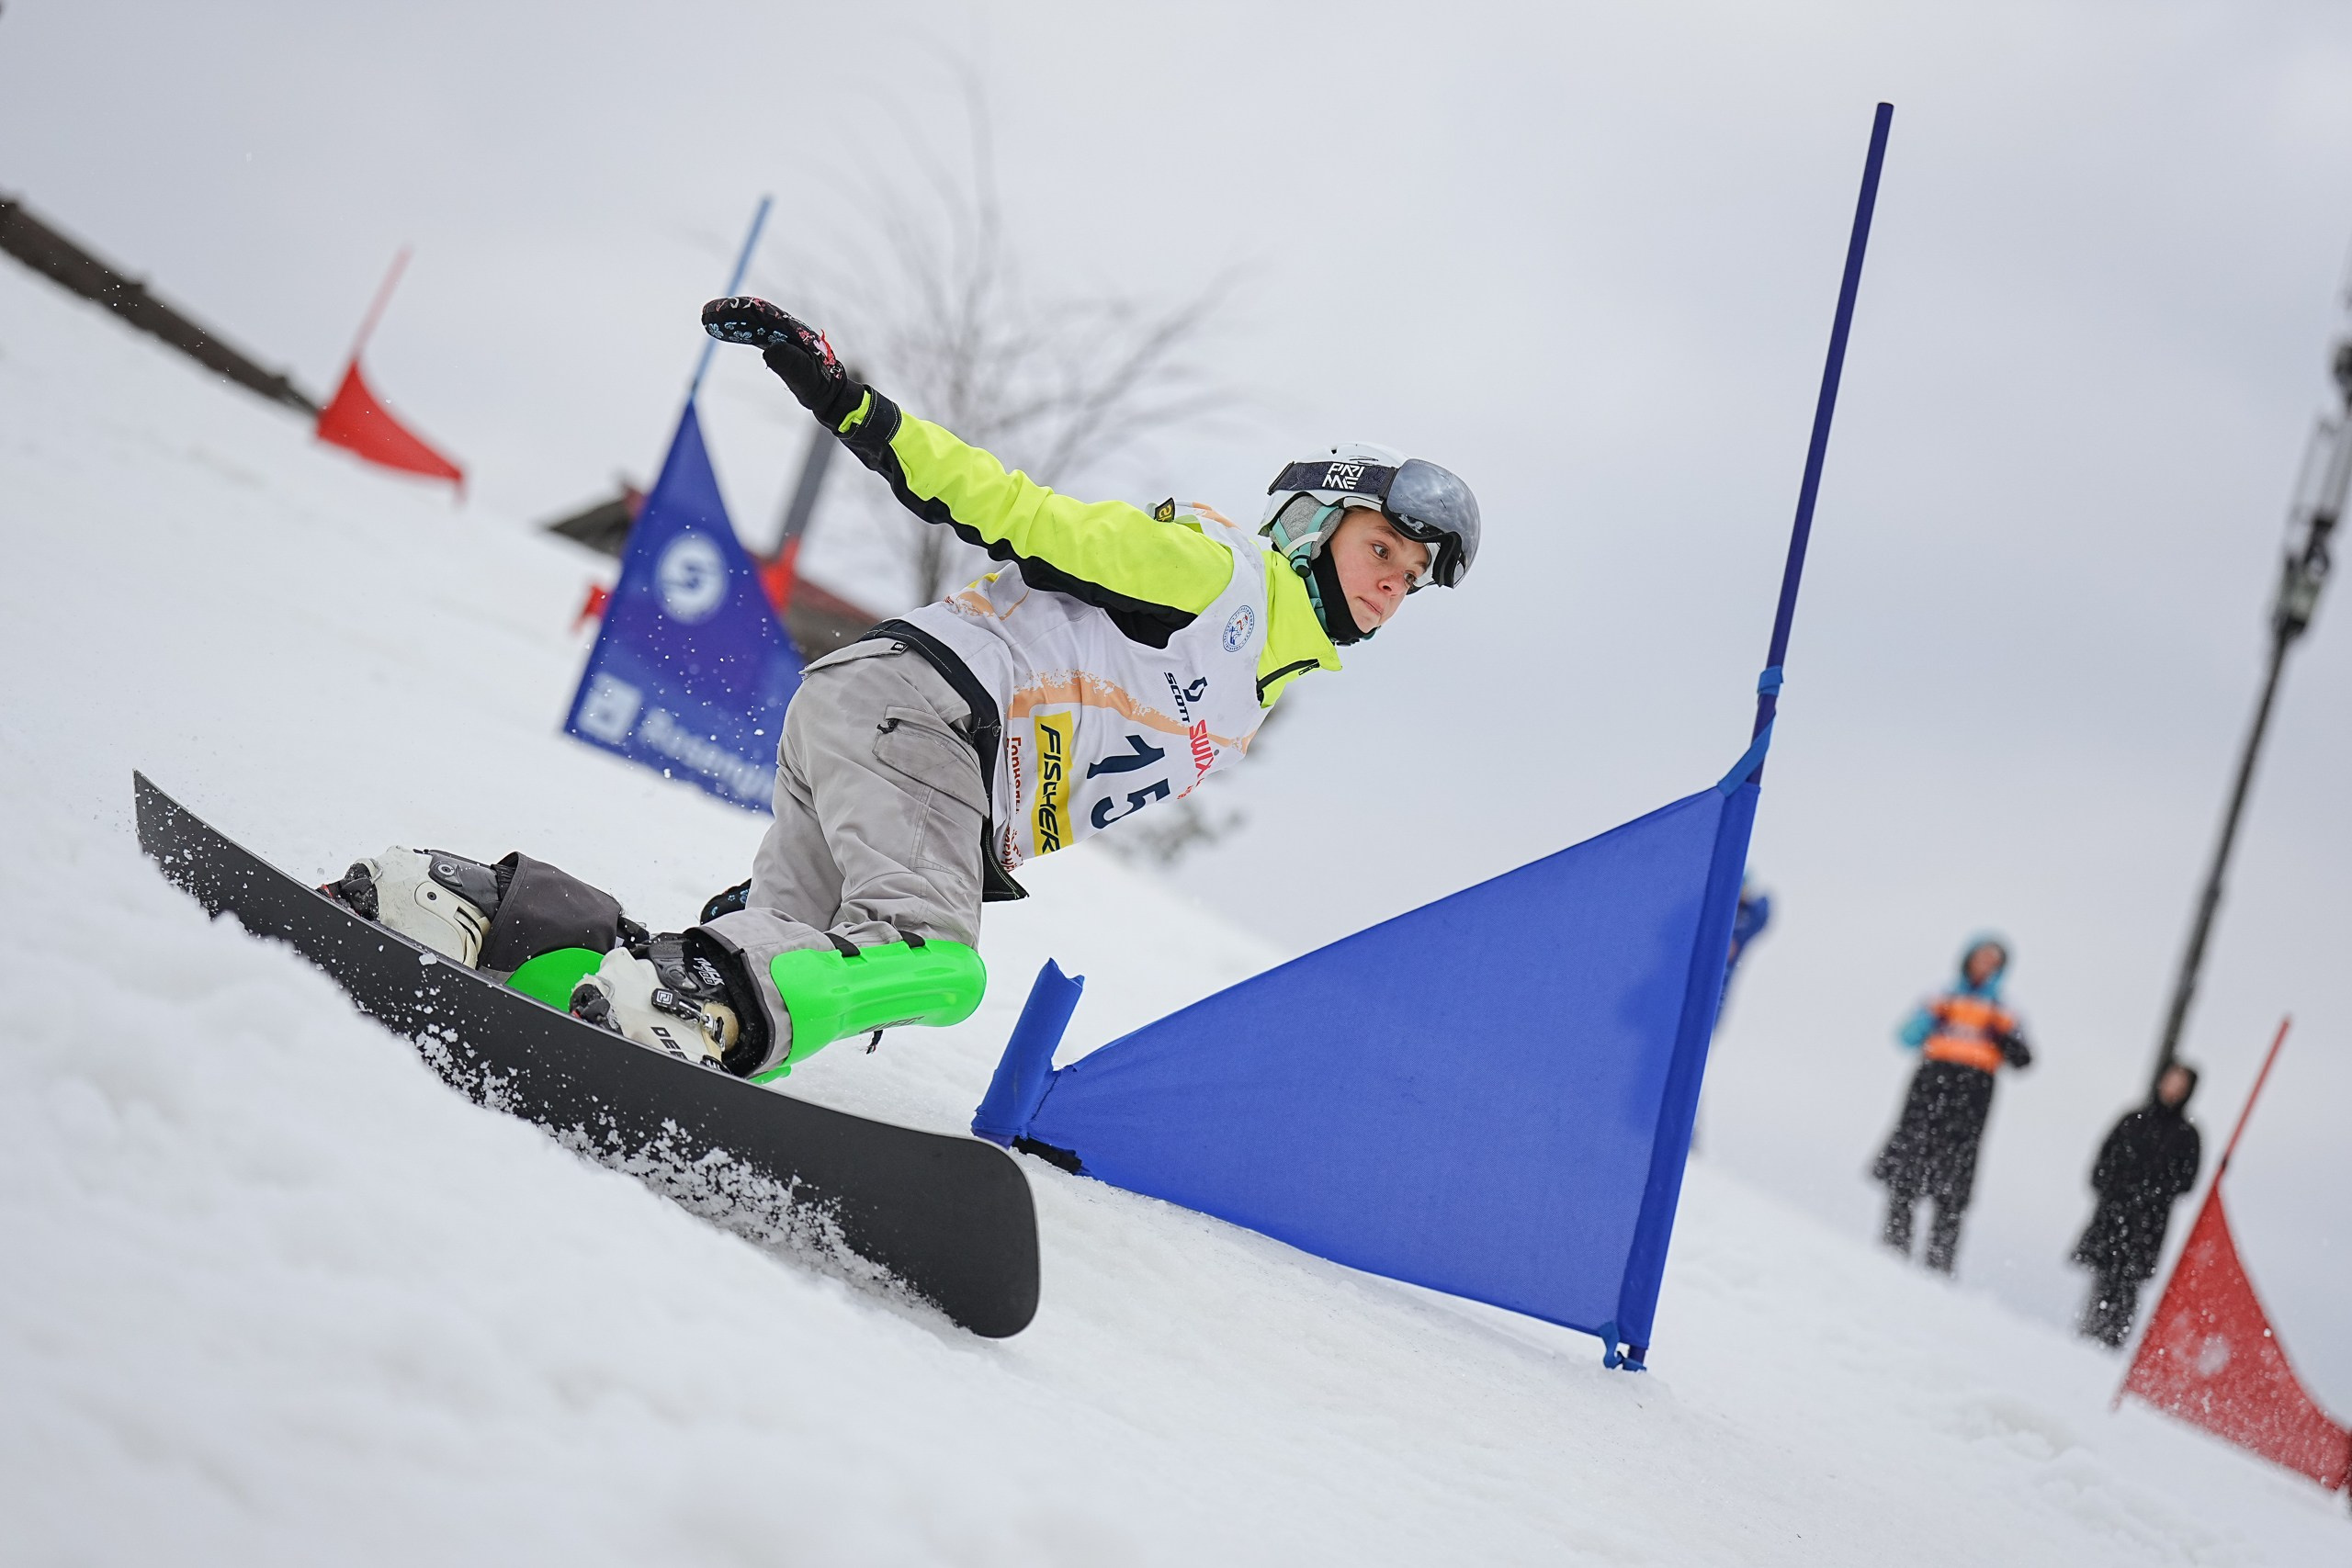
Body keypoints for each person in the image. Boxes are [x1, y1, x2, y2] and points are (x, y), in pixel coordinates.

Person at [328, 296, 1482, 1082]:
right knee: (940, 965)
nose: (1393, 587)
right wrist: (847, 401)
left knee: (769, 971)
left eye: (1415, 578)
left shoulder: (1245, 690)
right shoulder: (1212, 573)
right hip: (922, 715)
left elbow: (1062, 766)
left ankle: (495, 921)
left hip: (888, 731)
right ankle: (676, 997)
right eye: (1385, 551)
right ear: (1322, 522)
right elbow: (1014, 510)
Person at [1871, 936, 2032, 1274]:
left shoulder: (2005, 1012)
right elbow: (1905, 1036)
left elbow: (2024, 1059)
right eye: (1981, 957)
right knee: (1909, 1163)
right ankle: (1893, 1248)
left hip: (1972, 1098)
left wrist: (2004, 1037)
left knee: (1955, 1177)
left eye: (1993, 960)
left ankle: (1938, 1263)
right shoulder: (1941, 998)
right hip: (1931, 1085)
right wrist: (1928, 1021)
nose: (1985, 965)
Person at [2071, 1063, 2202, 1348]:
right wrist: (2112, 1190)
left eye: (2180, 1084)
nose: (2172, 1089)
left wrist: (2152, 1193)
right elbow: (2103, 1161)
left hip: (2148, 1225)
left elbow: (2187, 1182)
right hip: (2113, 1214)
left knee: (2127, 1285)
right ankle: (2089, 1332)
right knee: (2104, 1276)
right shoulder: (2133, 1120)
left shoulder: (2187, 1136)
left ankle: (2111, 1340)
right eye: (2170, 1081)